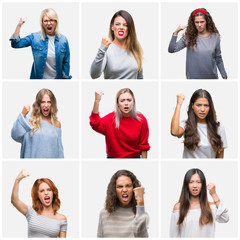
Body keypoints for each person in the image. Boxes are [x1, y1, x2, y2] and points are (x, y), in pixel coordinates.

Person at [10, 8, 71, 79]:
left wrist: (65, 79)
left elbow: (66, 62)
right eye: (46, 21)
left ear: (56, 22)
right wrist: (19, 25)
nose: (48, 23)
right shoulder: (34, 37)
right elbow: (15, 44)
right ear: (42, 23)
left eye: (51, 20)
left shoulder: (63, 40)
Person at [89, 88, 150, 158]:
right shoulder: (110, 118)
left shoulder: (141, 120)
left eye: (129, 100)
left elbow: (144, 146)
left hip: (134, 158)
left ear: (133, 102)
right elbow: (94, 123)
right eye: (122, 101)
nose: (126, 103)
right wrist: (97, 101)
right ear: (117, 103)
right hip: (113, 158)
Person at [168, 8, 227, 79]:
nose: (199, 25)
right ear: (193, 23)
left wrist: (224, 76)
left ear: (207, 22)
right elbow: (172, 50)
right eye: (197, 22)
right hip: (193, 78)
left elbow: (218, 58)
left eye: (202, 22)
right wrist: (176, 32)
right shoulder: (188, 37)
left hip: (211, 78)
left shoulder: (215, 37)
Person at [170, 168, 229, 237]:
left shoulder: (211, 207)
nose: (195, 186)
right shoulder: (179, 208)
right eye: (191, 182)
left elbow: (225, 218)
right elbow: (173, 235)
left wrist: (214, 194)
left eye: (198, 182)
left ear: (203, 185)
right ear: (186, 185)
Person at [171, 89, 227, 158]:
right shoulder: (186, 124)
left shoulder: (219, 128)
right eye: (199, 105)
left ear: (210, 107)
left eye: (206, 105)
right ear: (192, 106)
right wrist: (179, 104)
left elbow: (220, 156)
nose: (202, 109)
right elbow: (174, 132)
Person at [11, 169, 67, 238]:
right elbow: (14, 200)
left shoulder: (61, 218)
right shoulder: (31, 212)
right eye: (42, 191)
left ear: (53, 193)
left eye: (49, 190)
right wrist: (18, 180)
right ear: (38, 195)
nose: (46, 193)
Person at [11, 88, 64, 158]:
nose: (46, 105)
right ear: (38, 104)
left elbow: (59, 151)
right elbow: (15, 135)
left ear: (52, 104)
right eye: (43, 102)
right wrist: (22, 114)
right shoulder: (30, 120)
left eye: (49, 102)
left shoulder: (57, 124)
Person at [90, 10, 143, 79]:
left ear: (129, 28)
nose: (121, 27)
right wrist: (102, 49)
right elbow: (94, 75)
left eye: (125, 25)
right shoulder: (106, 50)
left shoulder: (135, 49)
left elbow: (140, 78)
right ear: (112, 27)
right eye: (118, 24)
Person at [97, 169, 149, 237]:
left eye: (128, 186)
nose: (124, 190)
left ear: (134, 188)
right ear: (114, 190)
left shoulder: (140, 214)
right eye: (120, 186)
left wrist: (140, 202)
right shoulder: (104, 214)